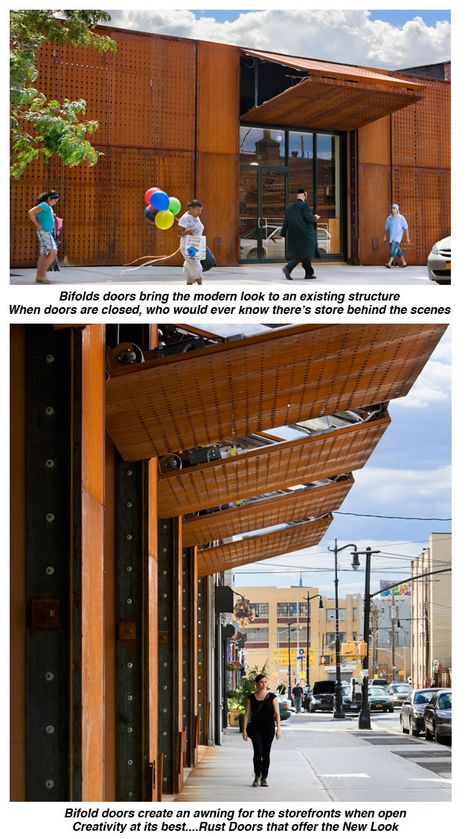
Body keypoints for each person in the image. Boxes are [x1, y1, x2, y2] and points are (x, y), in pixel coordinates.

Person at [242, 674, 281, 788]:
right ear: (257, 683)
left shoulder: (272, 697)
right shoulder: (251, 698)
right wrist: (244, 731)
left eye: (265, 682)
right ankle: (257, 775)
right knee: (258, 752)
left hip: (268, 729)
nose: (264, 684)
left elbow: (277, 714)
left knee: (266, 753)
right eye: (261, 682)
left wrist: (278, 729)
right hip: (255, 729)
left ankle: (264, 777)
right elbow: (246, 715)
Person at [281, 188, 320, 280]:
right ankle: (288, 268)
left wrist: (282, 233)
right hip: (305, 236)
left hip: (293, 235)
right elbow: (309, 218)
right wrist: (315, 217)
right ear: (305, 195)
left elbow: (285, 222)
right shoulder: (304, 206)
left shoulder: (289, 208)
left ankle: (309, 273)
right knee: (302, 254)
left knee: (305, 255)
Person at [27, 190, 60, 283]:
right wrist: (37, 225)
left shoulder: (47, 206)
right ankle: (42, 275)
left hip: (45, 232)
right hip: (45, 232)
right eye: (55, 201)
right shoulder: (44, 205)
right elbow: (30, 212)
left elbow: (42, 215)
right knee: (53, 252)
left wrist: (52, 216)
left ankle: (39, 276)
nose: (55, 202)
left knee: (44, 254)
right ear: (49, 199)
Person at [177, 199, 205, 285]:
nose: (200, 212)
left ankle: (189, 284)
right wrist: (188, 231)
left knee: (192, 268)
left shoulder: (196, 217)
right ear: (191, 208)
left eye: (200, 210)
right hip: (188, 247)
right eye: (198, 210)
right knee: (197, 267)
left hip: (196, 246)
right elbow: (179, 234)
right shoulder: (185, 218)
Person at [383, 203, 410, 268]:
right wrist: (385, 236)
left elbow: (406, 228)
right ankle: (404, 263)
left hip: (398, 236)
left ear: (397, 209)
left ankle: (389, 263)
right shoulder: (388, 218)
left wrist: (407, 238)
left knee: (394, 248)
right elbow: (386, 228)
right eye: (392, 208)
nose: (393, 209)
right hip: (392, 236)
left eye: (394, 208)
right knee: (397, 249)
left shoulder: (401, 218)